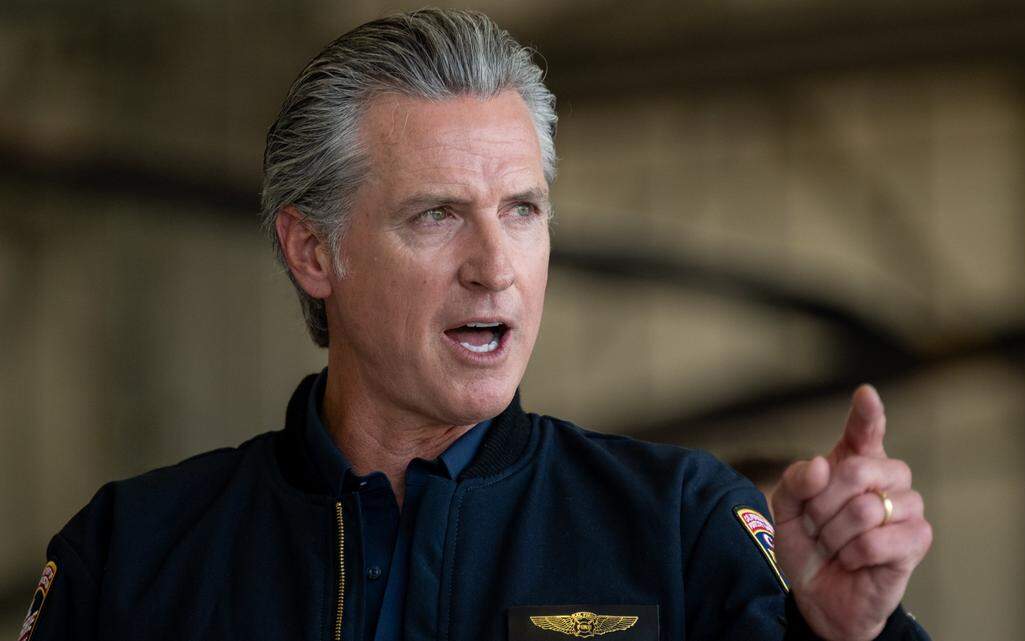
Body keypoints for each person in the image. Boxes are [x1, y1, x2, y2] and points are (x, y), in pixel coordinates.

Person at [18, 9, 932, 641]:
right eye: (436, 214)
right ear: (312, 251)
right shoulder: (133, 553)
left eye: (523, 210)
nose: (496, 266)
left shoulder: (681, 525)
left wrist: (848, 632)